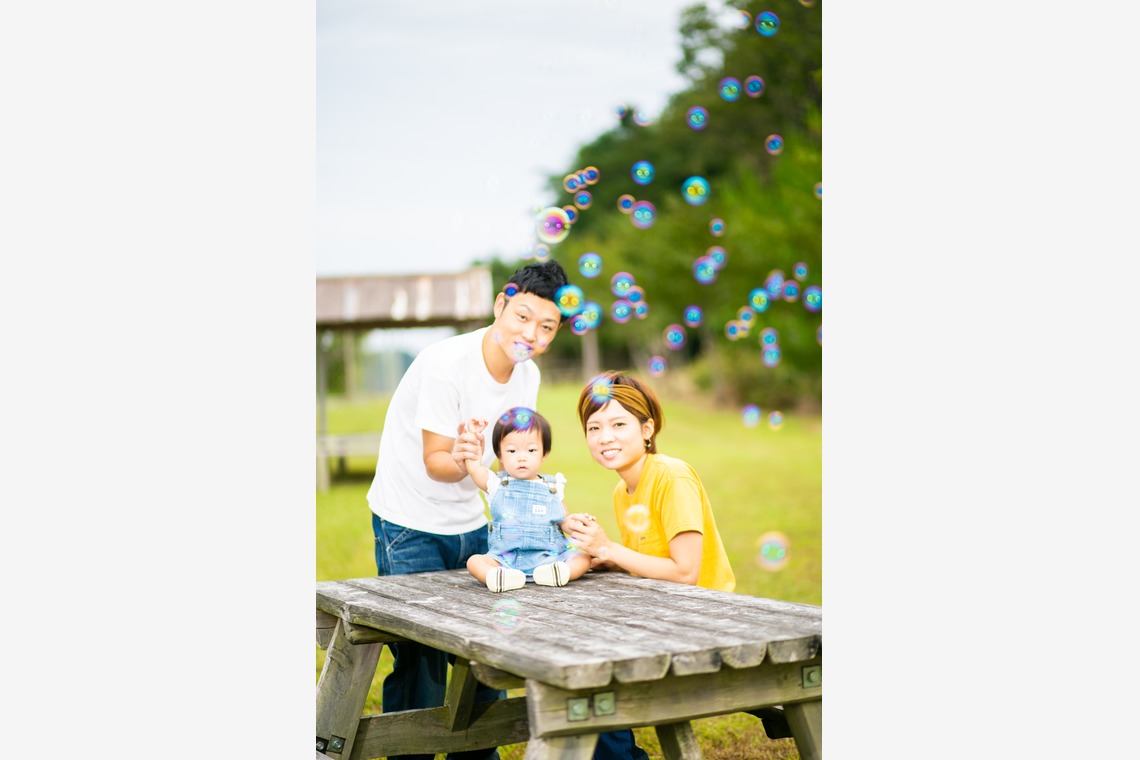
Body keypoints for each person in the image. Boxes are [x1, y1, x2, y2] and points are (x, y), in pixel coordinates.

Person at [365, 259, 571, 760]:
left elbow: (514, 459)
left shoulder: (529, 375)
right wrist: (464, 456)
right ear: (500, 305)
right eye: (522, 316)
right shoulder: (445, 365)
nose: (531, 334)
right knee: (423, 660)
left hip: (480, 527)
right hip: (408, 522)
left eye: (546, 326)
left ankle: (479, 753)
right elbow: (437, 462)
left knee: (487, 649)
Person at [561, 370, 736, 760]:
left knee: (588, 663)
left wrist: (610, 548)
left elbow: (686, 574)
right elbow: (649, 563)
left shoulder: (671, 476)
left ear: (647, 428)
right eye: (594, 427)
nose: (605, 437)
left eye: (618, 424)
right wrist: (601, 558)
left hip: (707, 622)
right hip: (664, 616)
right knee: (568, 646)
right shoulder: (622, 491)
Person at [462, 407, 591, 591]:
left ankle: (560, 573)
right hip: (505, 560)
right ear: (500, 455)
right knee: (474, 561)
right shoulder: (496, 484)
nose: (522, 457)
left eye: (531, 450)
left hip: (550, 558)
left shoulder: (552, 486)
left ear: (544, 453)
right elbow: (474, 468)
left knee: (583, 557)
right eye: (512, 451)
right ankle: (498, 577)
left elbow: (564, 520)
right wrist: (473, 436)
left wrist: (576, 524)